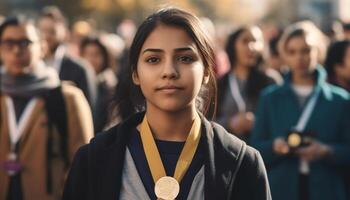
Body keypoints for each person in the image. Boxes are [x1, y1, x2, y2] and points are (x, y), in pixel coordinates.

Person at [62, 7, 271, 200]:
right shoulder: (93, 160)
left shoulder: (243, 164)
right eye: (153, 59)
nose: (169, 71)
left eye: (185, 58)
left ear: (207, 71)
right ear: (135, 73)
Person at [251, 22, 350, 200]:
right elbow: (255, 148)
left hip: (327, 189)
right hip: (281, 188)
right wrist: (275, 146)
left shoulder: (340, 100)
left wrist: (326, 150)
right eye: (292, 51)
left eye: (306, 50)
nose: (299, 57)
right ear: (284, 55)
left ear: (318, 51)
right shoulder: (270, 98)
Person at [0, 16, 94, 200]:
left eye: (25, 42)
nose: (17, 50)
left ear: (42, 47)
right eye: (8, 43)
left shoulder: (67, 98)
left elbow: (83, 167)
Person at [216, 26, 281, 142]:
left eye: (256, 41)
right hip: (227, 153)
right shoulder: (220, 83)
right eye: (245, 41)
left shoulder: (271, 80)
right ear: (233, 45)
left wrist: (259, 123)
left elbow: (282, 119)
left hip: (262, 152)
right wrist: (230, 123)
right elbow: (207, 122)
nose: (252, 47)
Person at [37, 6, 97, 107]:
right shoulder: (28, 67)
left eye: (52, 31)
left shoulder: (80, 69)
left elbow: (89, 111)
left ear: (64, 32)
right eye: (42, 31)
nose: (46, 36)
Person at [80, 35, 118, 133]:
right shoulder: (77, 82)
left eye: (96, 55)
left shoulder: (110, 84)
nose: (91, 59)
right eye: (87, 54)